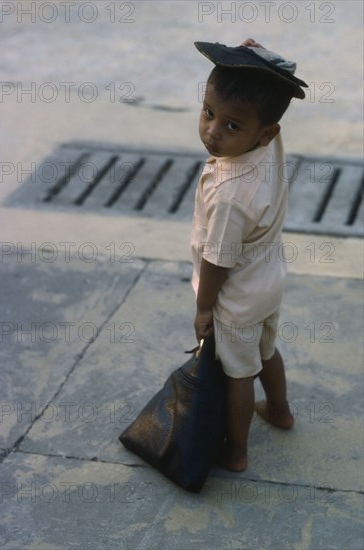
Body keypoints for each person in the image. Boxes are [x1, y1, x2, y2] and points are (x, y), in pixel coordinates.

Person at [191, 38, 308, 472]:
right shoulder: (265, 147)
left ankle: (236, 452)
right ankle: (279, 409)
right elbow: (257, 101)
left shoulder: (230, 196)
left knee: (238, 373)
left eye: (231, 126)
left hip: (236, 297)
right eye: (208, 113)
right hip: (268, 282)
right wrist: (254, 59)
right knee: (264, 351)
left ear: (265, 132)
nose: (213, 131)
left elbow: (218, 258)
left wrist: (205, 308)